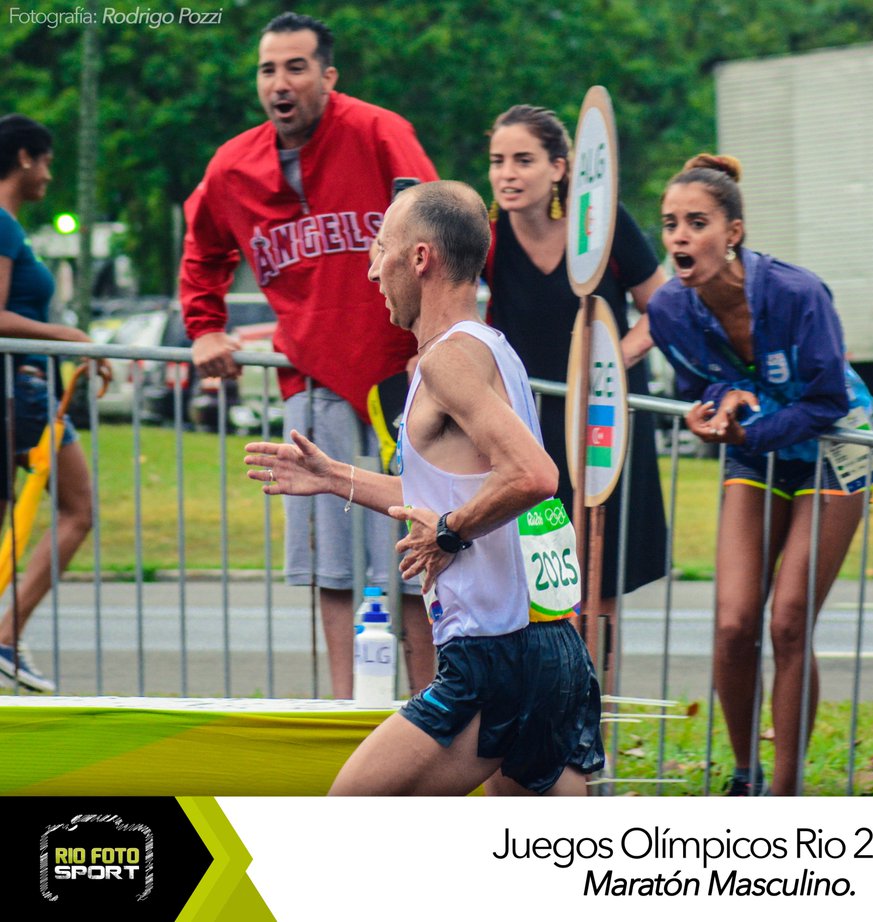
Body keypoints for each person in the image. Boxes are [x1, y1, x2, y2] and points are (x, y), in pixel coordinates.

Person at [245, 181, 603, 795]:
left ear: (420, 258)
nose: (371, 269)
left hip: (493, 655)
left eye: (381, 248)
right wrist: (334, 477)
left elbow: (533, 476)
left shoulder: (447, 359)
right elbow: (459, 487)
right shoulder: (492, 349)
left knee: (349, 810)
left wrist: (447, 534)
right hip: (552, 648)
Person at [180, 12, 439, 699]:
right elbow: (202, 248)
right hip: (314, 380)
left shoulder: (380, 133)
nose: (280, 83)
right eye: (268, 70)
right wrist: (204, 327)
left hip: (401, 379)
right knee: (331, 562)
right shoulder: (233, 165)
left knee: (415, 549)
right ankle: (344, 706)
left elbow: (434, 232)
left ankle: (432, 708)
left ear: (328, 76)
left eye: (296, 67)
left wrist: (433, 341)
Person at [647, 154, 873, 796]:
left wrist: (750, 427)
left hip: (835, 445)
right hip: (757, 450)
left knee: (788, 619)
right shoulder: (669, 309)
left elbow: (830, 399)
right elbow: (697, 386)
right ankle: (745, 777)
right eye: (670, 224)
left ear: (733, 233)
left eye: (696, 222)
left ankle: (785, 791)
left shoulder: (798, 293)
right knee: (733, 623)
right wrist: (710, 412)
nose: (679, 237)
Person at [485, 104, 669, 670]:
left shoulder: (605, 224)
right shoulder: (489, 241)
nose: (507, 174)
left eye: (524, 160)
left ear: (560, 168)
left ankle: (592, 724)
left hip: (603, 425)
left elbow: (662, 307)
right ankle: (535, 730)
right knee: (532, 586)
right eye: (496, 161)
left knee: (598, 584)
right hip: (528, 437)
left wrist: (609, 363)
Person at [0, 114, 111, 693]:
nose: (49, 173)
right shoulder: (1, 222)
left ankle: (7, 635)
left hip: (26, 389)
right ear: (24, 158)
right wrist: (75, 337)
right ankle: (7, 635)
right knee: (79, 508)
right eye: (45, 161)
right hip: (20, 392)